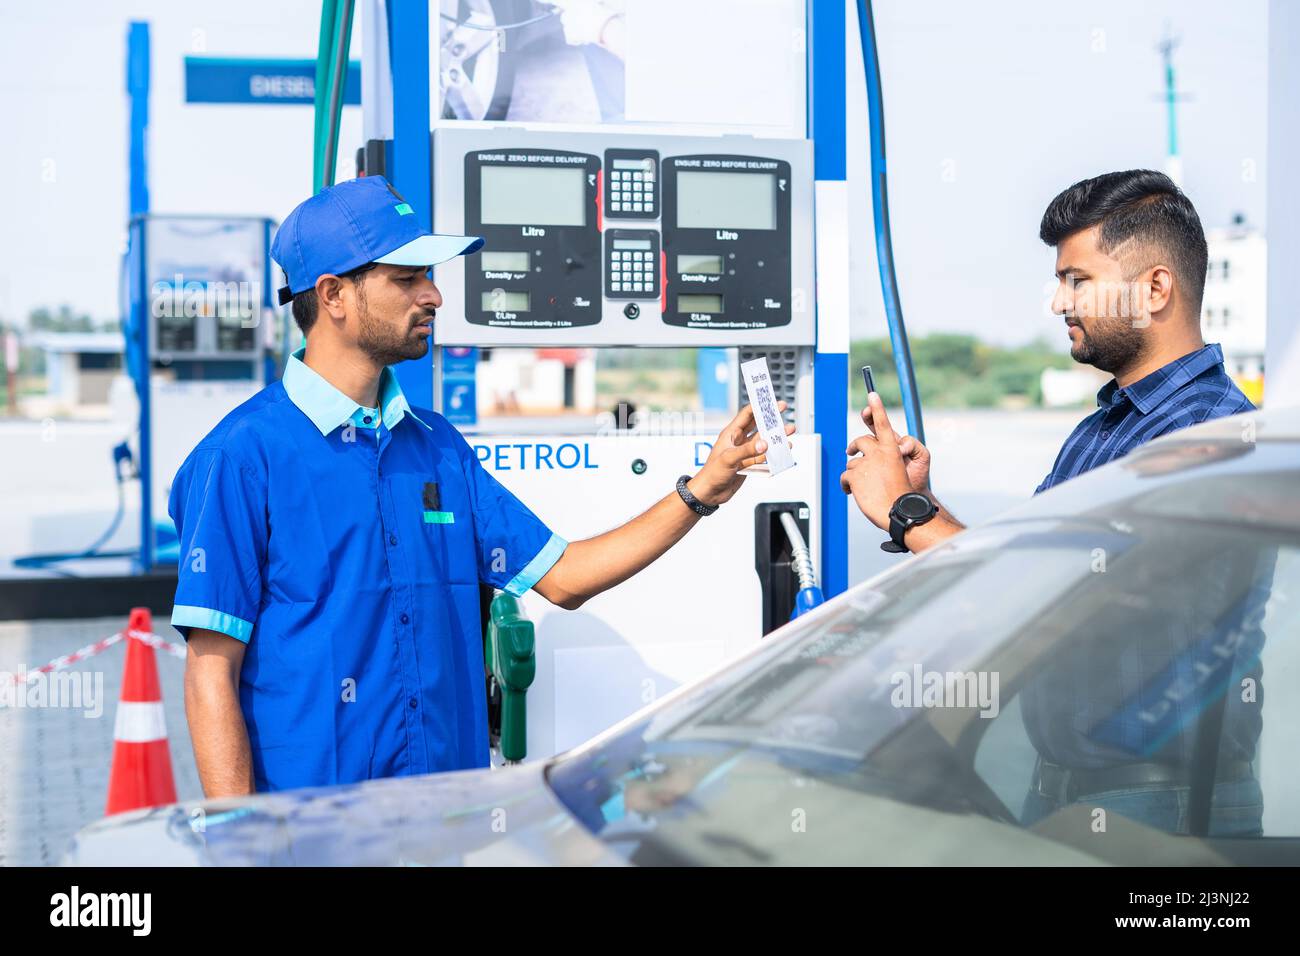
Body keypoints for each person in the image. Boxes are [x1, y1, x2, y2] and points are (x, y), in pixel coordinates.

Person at [172, 175, 792, 796]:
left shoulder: (436, 447)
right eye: (408, 277)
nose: (434, 295)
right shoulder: (242, 456)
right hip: (315, 833)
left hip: (446, 819)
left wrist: (701, 491)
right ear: (334, 294)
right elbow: (209, 673)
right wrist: (240, 842)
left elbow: (566, 577)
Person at [841, 169, 1254, 555]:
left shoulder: (1207, 435)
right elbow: (1029, 563)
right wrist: (922, 502)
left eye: (1077, 281)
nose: (1058, 304)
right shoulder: (1104, 427)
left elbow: (1067, 603)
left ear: (1154, 289)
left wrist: (904, 513)